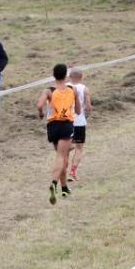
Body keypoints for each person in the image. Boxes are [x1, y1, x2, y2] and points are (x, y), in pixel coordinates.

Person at [36, 63, 80, 205]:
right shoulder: (72, 90)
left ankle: (64, 188)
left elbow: (39, 105)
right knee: (62, 157)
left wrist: (41, 113)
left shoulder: (49, 91)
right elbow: (78, 110)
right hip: (66, 124)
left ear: (54, 75)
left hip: (53, 126)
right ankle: (53, 184)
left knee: (62, 157)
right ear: (65, 75)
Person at [68, 67, 92, 182]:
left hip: (65, 122)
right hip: (79, 122)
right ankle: (72, 171)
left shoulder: (63, 88)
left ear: (69, 76)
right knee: (79, 148)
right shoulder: (84, 89)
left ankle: (62, 169)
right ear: (81, 77)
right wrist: (88, 113)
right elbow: (88, 107)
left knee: (66, 148)